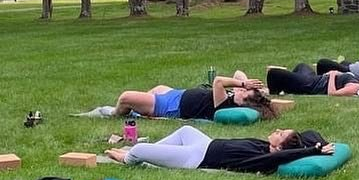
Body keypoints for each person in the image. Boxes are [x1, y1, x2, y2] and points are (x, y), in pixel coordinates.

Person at [105, 126, 335, 173]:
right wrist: (320, 144)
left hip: (195, 158)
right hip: (205, 143)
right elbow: (311, 132)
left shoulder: (264, 158)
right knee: (185, 130)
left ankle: (128, 158)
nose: (277, 130)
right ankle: (152, 153)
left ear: (280, 147)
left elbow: (287, 155)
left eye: (281, 134)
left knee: (140, 149)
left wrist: (312, 152)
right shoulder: (267, 146)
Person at [113, 72, 276, 121]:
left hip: (170, 106)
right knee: (157, 89)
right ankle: (137, 110)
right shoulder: (234, 97)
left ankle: (115, 114)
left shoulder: (224, 105)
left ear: (243, 104)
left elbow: (218, 81)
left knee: (126, 97)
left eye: (244, 93)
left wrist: (243, 84)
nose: (240, 90)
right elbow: (238, 73)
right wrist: (250, 85)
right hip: (176, 94)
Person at [266, 63, 359, 96]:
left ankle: (273, 93)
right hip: (316, 79)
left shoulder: (356, 86)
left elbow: (333, 94)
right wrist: (338, 73)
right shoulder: (356, 79)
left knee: (273, 73)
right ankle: (288, 86)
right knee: (302, 66)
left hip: (312, 86)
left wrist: (332, 75)